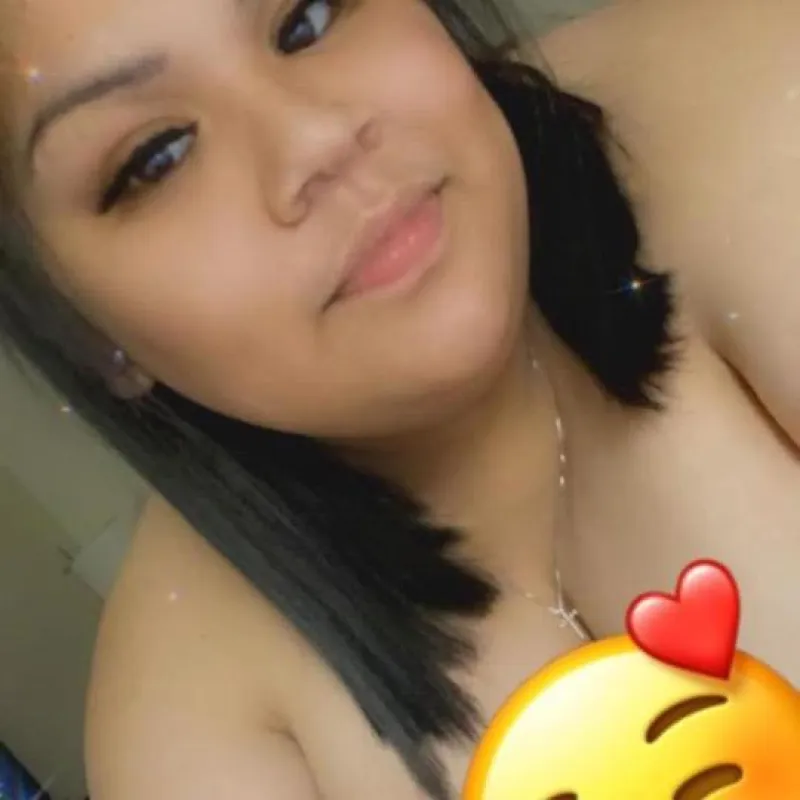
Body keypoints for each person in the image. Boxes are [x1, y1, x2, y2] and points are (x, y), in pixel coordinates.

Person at [0, 0, 797, 797]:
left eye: (307, 19)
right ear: (86, 334)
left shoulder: (755, 118)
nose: (315, 138)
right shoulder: (188, 736)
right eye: (158, 158)